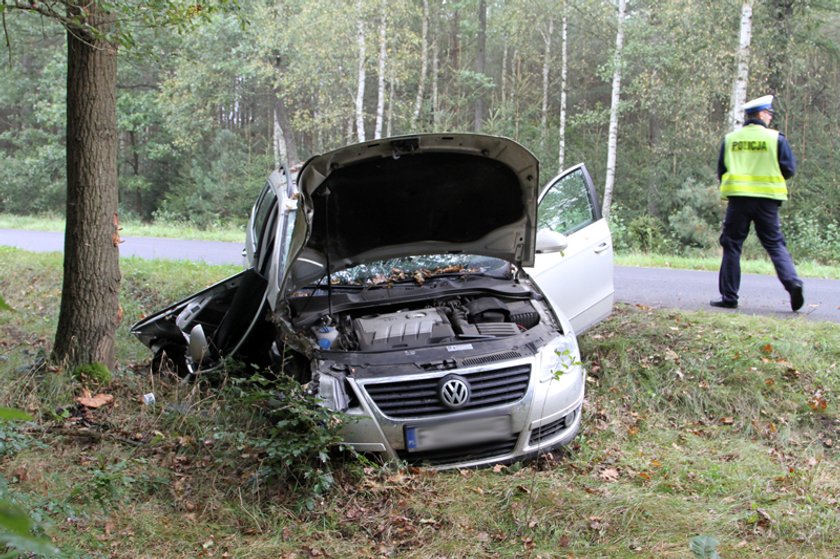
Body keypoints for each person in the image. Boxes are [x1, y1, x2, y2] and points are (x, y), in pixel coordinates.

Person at [711, 94, 804, 311]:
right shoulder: (776, 139)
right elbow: (789, 169)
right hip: (768, 201)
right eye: (769, 113)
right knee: (774, 244)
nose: (770, 117)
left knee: (732, 244)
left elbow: (721, 170)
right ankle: (793, 283)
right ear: (761, 114)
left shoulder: (731, 139)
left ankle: (729, 297)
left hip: (739, 200)